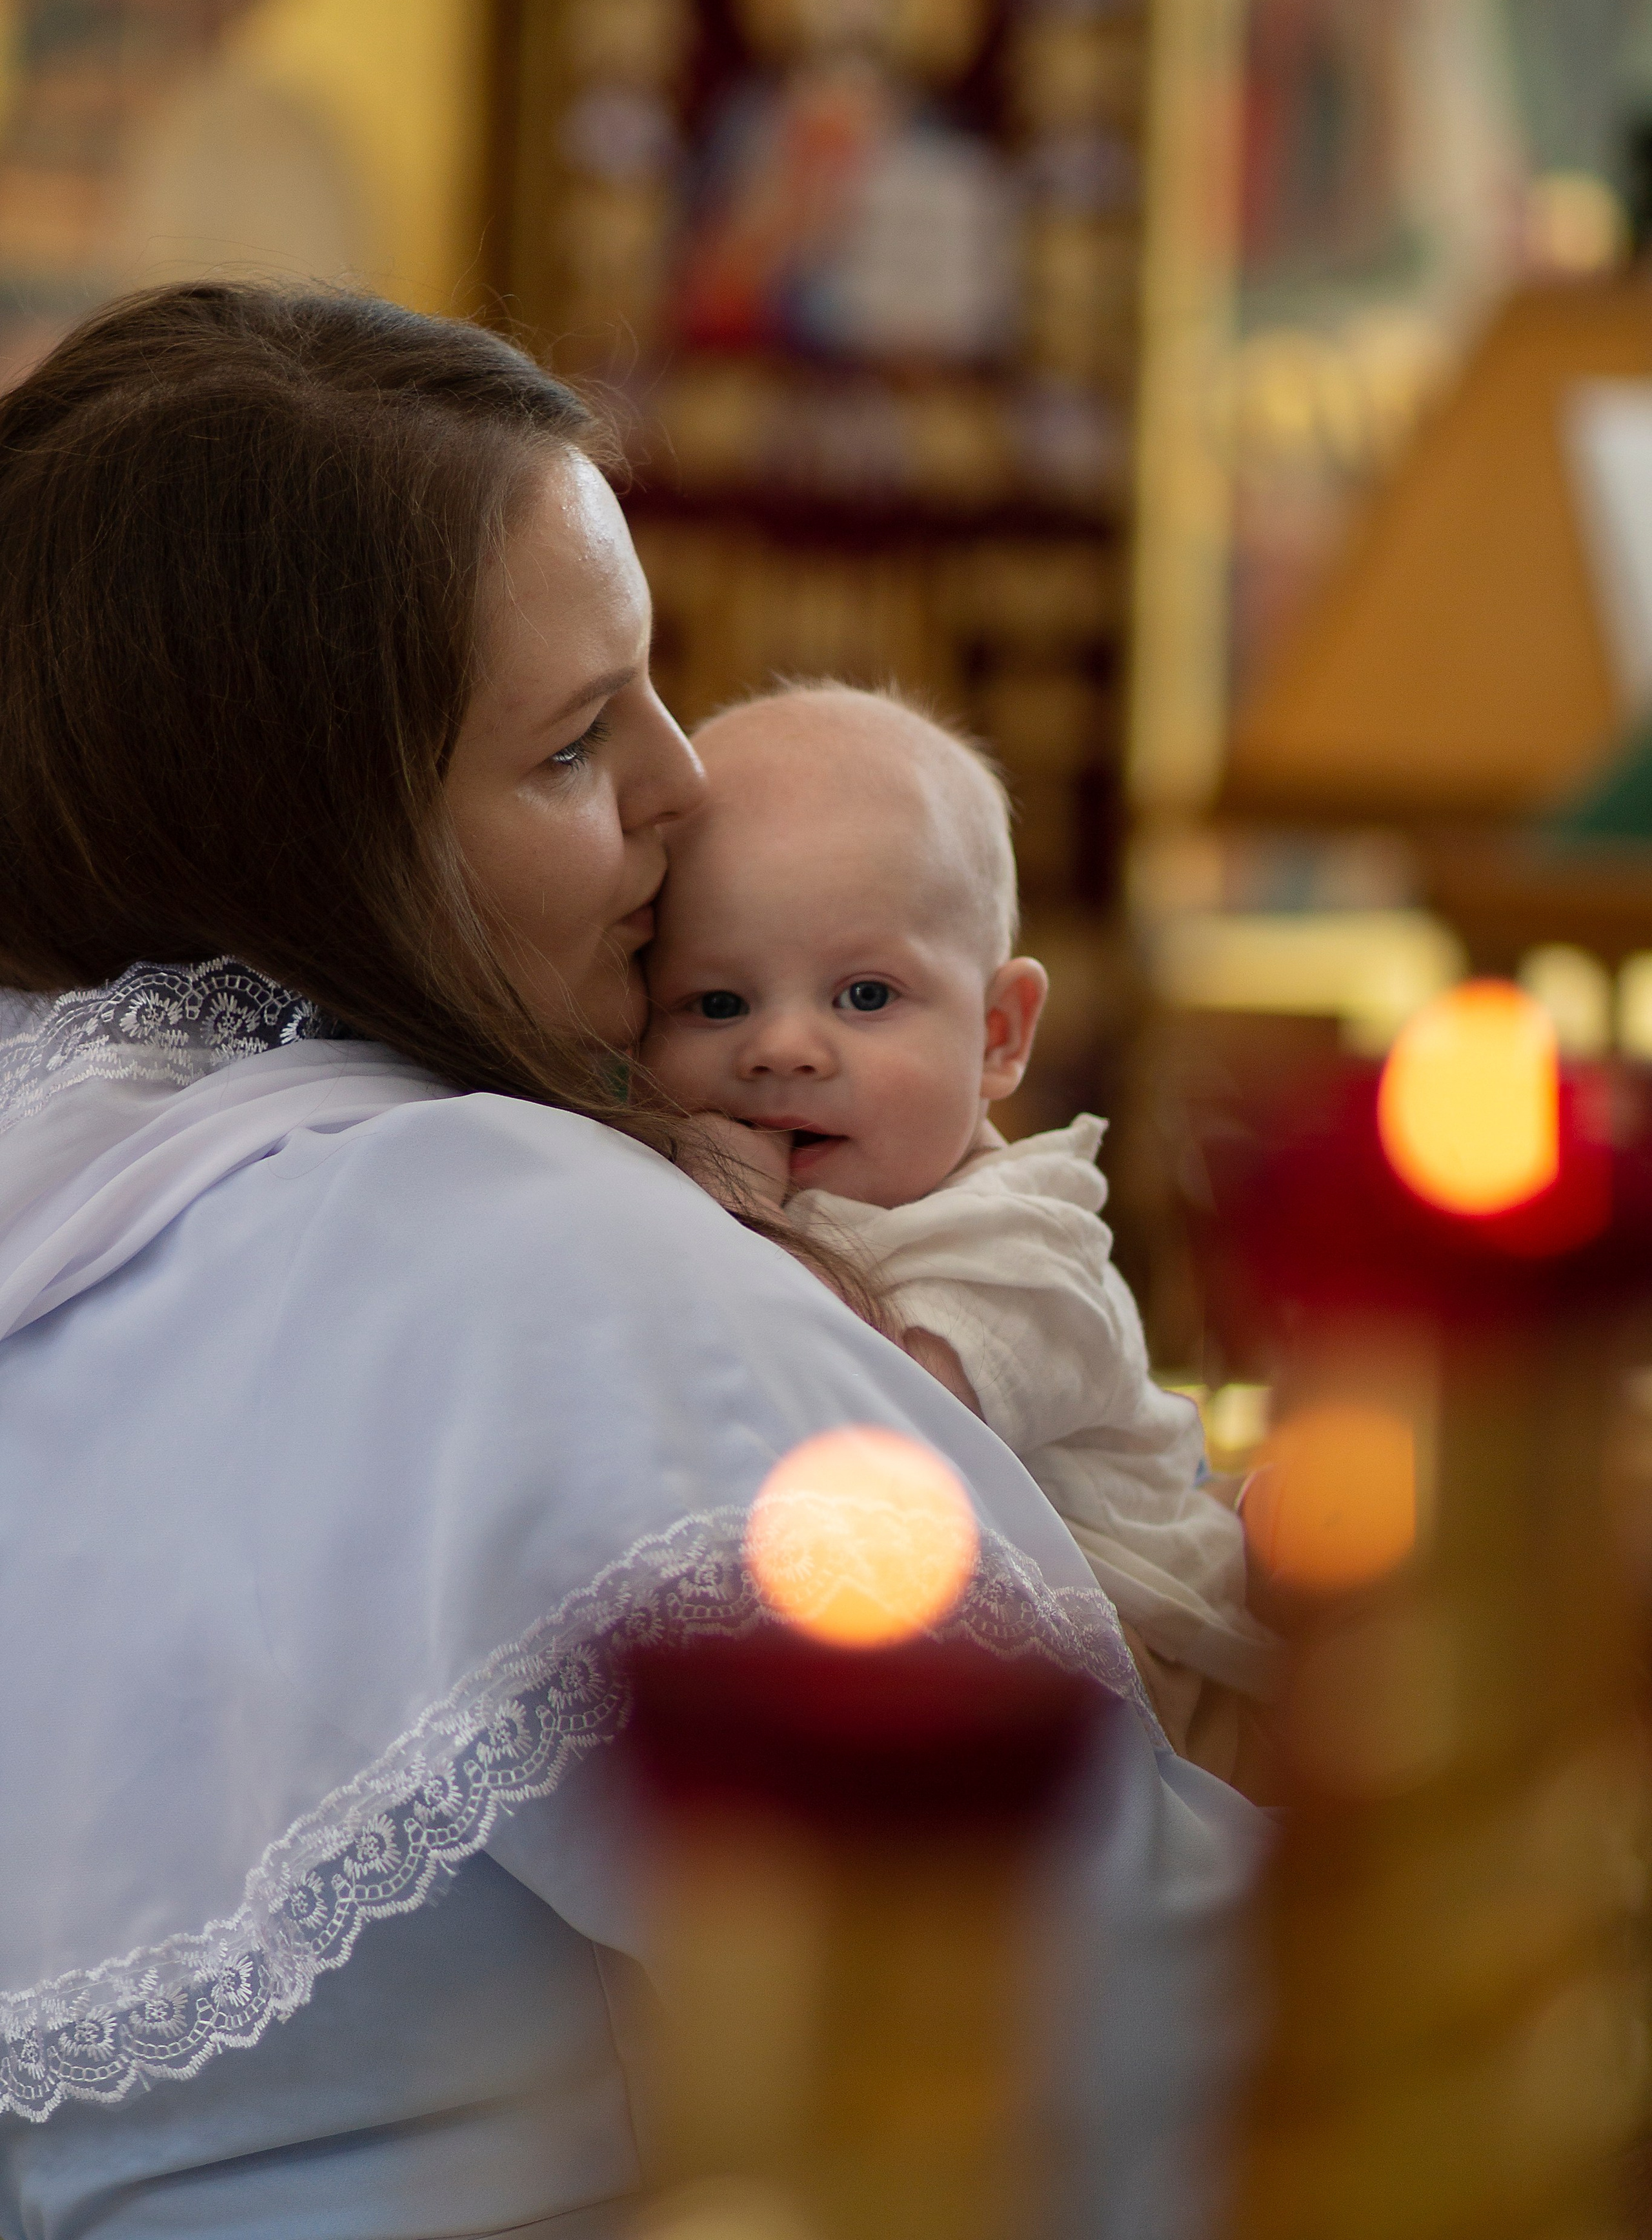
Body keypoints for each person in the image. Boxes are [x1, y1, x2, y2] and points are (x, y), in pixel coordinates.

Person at [0, 282, 1261, 2240]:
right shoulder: (540, 1263)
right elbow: (1125, 2010)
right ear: (324, 844)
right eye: (582, 743)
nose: (688, 785)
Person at [639, 684, 1276, 1787]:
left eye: (867, 994)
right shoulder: (711, 1183)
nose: (784, 1047)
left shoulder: (1025, 1250)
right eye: (717, 1005)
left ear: (997, 1036)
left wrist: (738, 1219)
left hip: (1160, 1686)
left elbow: (861, 1417)